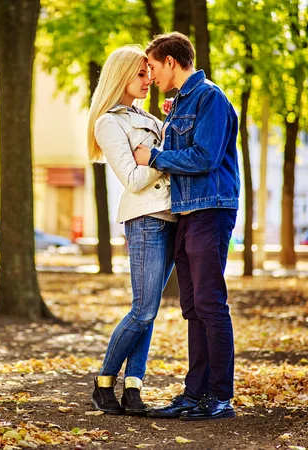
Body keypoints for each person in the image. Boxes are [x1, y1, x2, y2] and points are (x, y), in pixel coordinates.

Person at [134, 32, 240, 421]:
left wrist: (156, 157)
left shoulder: (211, 96)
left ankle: (219, 397)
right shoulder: (181, 103)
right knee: (193, 306)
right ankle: (194, 394)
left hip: (210, 209)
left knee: (211, 304)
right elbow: (187, 142)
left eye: (154, 67)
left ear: (172, 63)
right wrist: (171, 118)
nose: (152, 75)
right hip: (188, 212)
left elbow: (205, 157)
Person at [87, 45, 176, 416]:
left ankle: (134, 388)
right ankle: (104, 382)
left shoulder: (150, 118)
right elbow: (134, 178)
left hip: (171, 216)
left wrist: (168, 130)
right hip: (144, 219)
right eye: (141, 74)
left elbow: (164, 157)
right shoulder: (109, 122)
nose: (149, 80)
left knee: (150, 311)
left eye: (148, 73)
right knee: (141, 310)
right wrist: (160, 155)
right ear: (122, 75)